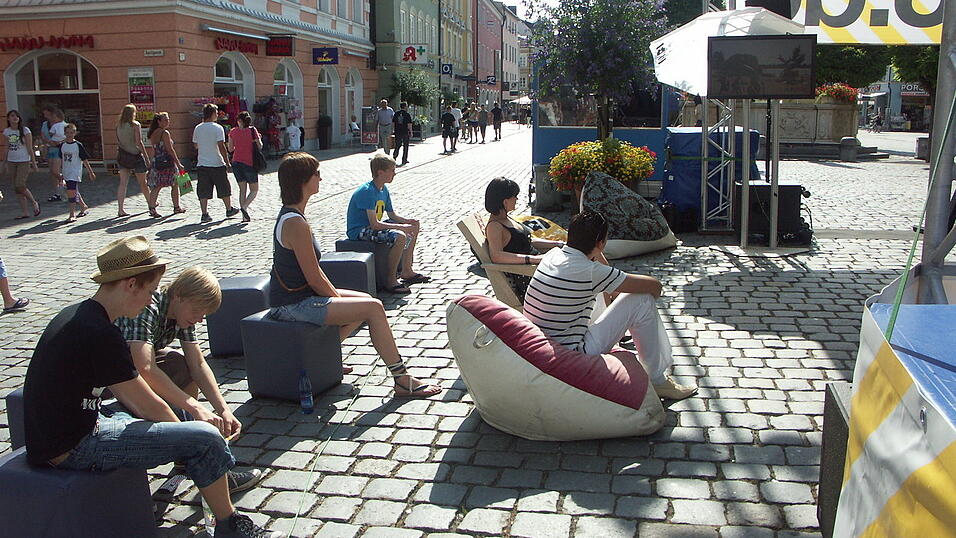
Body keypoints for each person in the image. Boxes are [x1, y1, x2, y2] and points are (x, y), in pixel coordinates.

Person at [22, 236, 281, 538]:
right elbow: (144, 403)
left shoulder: (79, 315)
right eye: (149, 291)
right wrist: (186, 439)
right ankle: (230, 526)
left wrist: (188, 419)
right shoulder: (101, 334)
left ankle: (214, 473)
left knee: (182, 415)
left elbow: (134, 394)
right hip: (73, 447)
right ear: (130, 284)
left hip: (66, 430)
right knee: (204, 437)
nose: (150, 300)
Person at [270, 152, 441, 398]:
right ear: (303, 181)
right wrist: (336, 299)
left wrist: (339, 298)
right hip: (291, 304)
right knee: (372, 309)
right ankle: (402, 379)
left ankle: (325, 358)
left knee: (366, 301)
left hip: (298, 298)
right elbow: (314, 277)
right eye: (317, 173)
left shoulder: (293, 216)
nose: (321, 177)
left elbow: (315, 273)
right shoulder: (295, 223)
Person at [115, 266, 263, 492]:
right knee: (172, 372)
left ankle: (186, 452)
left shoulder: (181, 313)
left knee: (181, 364)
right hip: (112, 380)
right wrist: (195, 407)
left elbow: (198, 364)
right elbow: (144, 367)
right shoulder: (148, 306)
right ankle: (190, 446)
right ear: (178, 297)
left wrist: (223, 409)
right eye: (197, 311)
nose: (200, 319)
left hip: (130, 368)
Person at [522, 210, 698, 401]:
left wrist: (597, 253)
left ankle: (638, 360)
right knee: (642, 299)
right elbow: (654, 286)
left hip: (545, 343)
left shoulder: (553, 255)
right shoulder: (590, 271)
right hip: (573, 352)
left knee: (599, 291)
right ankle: (657, 380)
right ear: (601, 243)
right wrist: (599, 253)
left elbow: (605, 275)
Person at [346, 153, 430, 294]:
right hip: (359, 230)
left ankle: (407, 270)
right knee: (400, 236)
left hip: (372, 226)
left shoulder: (383, 189)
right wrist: (400, 227)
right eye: (392, 170)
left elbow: (392, 215)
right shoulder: (367, 191)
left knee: (413, 227)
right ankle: (390, 281)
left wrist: (410, 223)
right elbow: (374, 224)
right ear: (380, 172)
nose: (394, 173)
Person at [484, 178, 563, 304]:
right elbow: (497, 256)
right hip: (528, 275)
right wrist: (532, 259)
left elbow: (527, 240)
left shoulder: (506, 219)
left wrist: (558, 244)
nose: (517, 199)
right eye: (514, 196)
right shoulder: (495, 226)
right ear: (505, 201)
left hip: (538, 268)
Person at [193, 104, 239, 223]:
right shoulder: (218, 128)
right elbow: (221, 146)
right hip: (217, 162)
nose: (218, 115)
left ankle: (204, 213)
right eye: (217, 113)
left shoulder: (198, 128)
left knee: (203, 190)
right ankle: (229, 209)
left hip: (202, 163)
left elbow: (195, 145)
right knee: (223, 187)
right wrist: (227, 162)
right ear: (213, 114)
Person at [146, 112, 187, 217]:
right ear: (159, 121)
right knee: (175, 184)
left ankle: (152, 208)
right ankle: (176, 207)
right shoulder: (164, 133)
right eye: (165, 120)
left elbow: (154, 149)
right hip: (167, 162)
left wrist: (151, 162)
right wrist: (178, 163)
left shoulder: (153, 133)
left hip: (157, 161)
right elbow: (170, 149)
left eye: (168, 119)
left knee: (157, 185)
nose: (168, 121)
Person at [2, 110, 40, 219]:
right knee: (16, 188)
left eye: (17, 116)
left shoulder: (25, 130)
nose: (15, 118)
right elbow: (6, 148)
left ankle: (34, 202)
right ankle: (25, 212)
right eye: (12, 116)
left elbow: (29, 148)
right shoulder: (7, 131)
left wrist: (34, 163)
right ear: (8, 119)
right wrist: (4, 163)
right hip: (11, 161)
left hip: (23, 160)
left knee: (20, 184)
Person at [115, 104, 152, 218]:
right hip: (135, 155)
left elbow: (118, 141)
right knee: (143, 183)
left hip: (123, 155)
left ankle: (120, 209)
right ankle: (151, 204)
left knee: (123, 183)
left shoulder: (119, 125)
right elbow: (139, 142)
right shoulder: (135, 125)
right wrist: (146, 157)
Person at [227, 111, 262, 223]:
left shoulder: (233, 131)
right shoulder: (252, 131)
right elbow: (260, 146)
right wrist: (257, 139)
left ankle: (244, 217)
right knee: (254, 189)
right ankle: (244, 207)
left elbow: (230, 149)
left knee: (242, 189)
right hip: (249, 163)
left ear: (239, 121)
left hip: (236, 162)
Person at [61, 123, 95, 222]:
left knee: (71, 191)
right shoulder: (63, 145)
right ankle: (83, 206)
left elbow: (84, 159)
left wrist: (90, 172)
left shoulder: (78, 145)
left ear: (75, 133)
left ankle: (72, 214)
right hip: (66, 171)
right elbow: (61, 158)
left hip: (74, 171)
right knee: (73, 190)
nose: (69, 135)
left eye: (71, 133)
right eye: (67, 133)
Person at [40, 105, 66, 202]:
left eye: (47, 114)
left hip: (59, 149)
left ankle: (65, 183)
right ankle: (57, 192)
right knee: (52, 172)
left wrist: (57, 142)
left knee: (56, 170)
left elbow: (67, 135)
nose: (46, 116)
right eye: (44, 114)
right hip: (50, 148)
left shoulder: (61, 124)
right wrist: (48, 142)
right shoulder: (45, 124)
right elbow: (43, 135)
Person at [392, 101, 413, 166]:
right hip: (405, 132)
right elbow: (409, 124)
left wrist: (393, 130)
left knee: (397, 145)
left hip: (397, 131)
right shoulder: (407, 114)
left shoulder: (396, 114)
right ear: (405, 107)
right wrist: (411, 132)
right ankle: (404, 159)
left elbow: (393, 123)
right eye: (406, 106)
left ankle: (394, 157)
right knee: (406, 146)